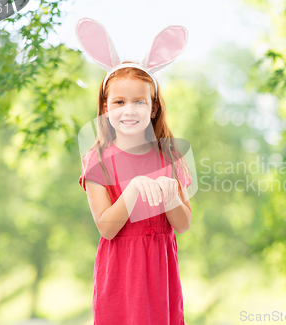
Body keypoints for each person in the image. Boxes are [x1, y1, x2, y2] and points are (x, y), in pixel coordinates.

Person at [75, 18, 193, 325]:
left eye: (139, 102)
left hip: (160, 275)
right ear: (105, 108)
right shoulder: (98, 160)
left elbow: (183, 224)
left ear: (153, 107)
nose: (129, 110)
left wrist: (170, 198)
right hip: (122, 278)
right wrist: (136, 187)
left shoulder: (169, 155)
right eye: (119, 101)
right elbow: (107, 228)